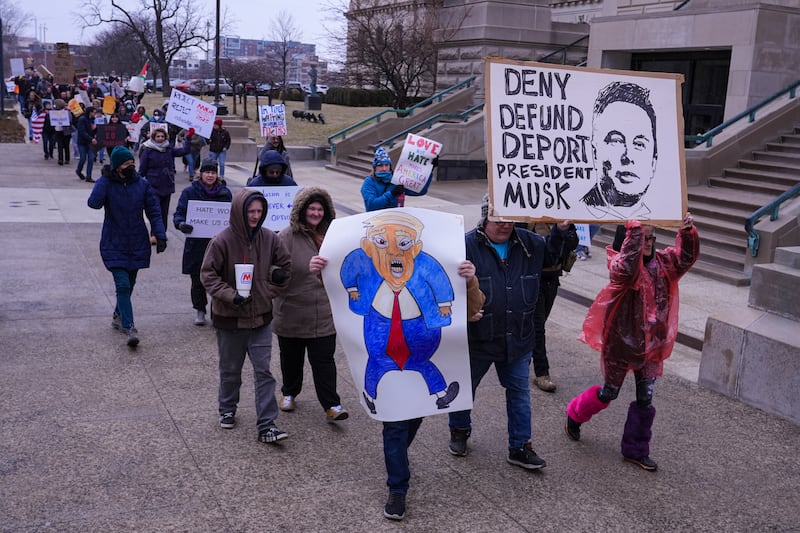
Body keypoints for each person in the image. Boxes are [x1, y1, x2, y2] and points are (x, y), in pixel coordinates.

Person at [309, 251, 483, 522]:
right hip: (381, 344)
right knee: (394, 425)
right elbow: (343, 287)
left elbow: (472, 308)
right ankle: (397, 488)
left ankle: (426, 411)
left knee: (409, 421)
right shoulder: (372, 264)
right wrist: (323, 272)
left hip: (420, 349)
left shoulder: (430, 264)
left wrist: (469, 282)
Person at [565, 214, 699, 472]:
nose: (647, 243)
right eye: (641, 238)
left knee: (645, 398)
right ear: (627, 241)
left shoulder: (664, 264)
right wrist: (634, 231)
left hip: (652, 347)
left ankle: (636, 450)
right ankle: (575, 413)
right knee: (609, 393)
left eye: (651, 237)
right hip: (622, 345)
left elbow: (686, 258)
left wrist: (688, 231)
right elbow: (626, 269)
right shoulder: (619, 266)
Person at [447, 194, 549, 471]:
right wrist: (465, 312)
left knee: (519, 392)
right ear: (485, 217)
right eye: (497, 219)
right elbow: (445, 288)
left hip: (518, 337)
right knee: (466, 389)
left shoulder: (531, 244)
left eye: (509, 219)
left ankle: (520, 446)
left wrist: (563, 231)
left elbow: (557, 254)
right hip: (478, 338)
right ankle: (459, 430)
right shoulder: (464, 245)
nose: (504, 225)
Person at [200, 188, 292, 444]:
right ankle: (227, 407)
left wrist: (271, 286)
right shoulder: (221, 241)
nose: (255, 216)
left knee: (264, 372)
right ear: (240, 211)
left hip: (261, 317)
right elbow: (207, 275)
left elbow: (286, 267)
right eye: (251, 211)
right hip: (229, 318)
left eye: (259, 211)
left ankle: (267, 425)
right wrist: (230, 295)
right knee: (230, 370)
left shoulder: (270, 239)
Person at [273, 187, 349, 422]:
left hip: (324, 312)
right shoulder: (284, 236)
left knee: (324, 361)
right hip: (292, 310)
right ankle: (289, 392)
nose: (315, 213)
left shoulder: (334, 236)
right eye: (311, 208)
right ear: (302, 210)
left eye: (319, 209)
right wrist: (297, 271)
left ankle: (331, 405)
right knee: (291, 358)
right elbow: (272, 269)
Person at [87, 146, 167, 348]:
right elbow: (93, 203)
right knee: (122, 284)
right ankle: (129, 326)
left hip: (137, 241)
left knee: (129, 284)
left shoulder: (143, 185)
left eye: (132, 162)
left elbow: (154, 212)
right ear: (116, 167)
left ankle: (117, 315)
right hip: (113, 241)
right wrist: (105, 179)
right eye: (125, 164)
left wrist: (160, 234)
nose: (130, 166)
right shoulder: (107, 183)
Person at [581, 82, 658, 219]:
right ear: (594, 152)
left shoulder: (662, 217)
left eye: (639, 144)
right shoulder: (577, 213)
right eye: (616, 141)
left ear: (653, 161)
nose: (628, 156)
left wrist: (687, 230)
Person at [173, 158, 232, 326]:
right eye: (207, 172)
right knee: (197, 279)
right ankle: (200, 309)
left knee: (220, 278)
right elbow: (179, 213)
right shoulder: (189, 192)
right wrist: (181, 224)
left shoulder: (225, 193)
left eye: (213, 172)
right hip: (196, 244)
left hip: (219, 244)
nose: (210, 175)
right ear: (201, 173)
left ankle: (217, 310)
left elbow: (231, 216)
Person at [529, 221, 579, 392]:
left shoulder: (559, 219)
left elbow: (572, 244)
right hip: (533, 280)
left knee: (536, 326)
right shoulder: (526, 219)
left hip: (552, 279)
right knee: (537, 328)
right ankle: (542, 373)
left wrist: (566, 229)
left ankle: (521, 361)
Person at [138, 127, 193, 244]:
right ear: (153, 137)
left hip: (167, 185)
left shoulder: (169, 149)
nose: (160, 139)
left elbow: (185, 151)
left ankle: (162, 233)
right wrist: (138, 181)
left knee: (164, 211)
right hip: (153, 185)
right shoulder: (148, 150)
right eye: (158, 136)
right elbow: (142, 168)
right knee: (155, 211)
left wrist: (188, 137)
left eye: (162, 136)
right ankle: (154, 234)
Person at [361, 147, 432, 211]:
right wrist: (392, 194)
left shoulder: (397, 179)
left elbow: (419, 191)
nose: (384, 169)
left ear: (390, 166)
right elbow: (371, 206)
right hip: (376, 220)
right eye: (380, 165)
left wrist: (429, 170)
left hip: (395, 219)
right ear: (375, 167)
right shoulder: (369, 182)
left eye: (386, 165)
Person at [75, 106, 98, 182]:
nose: (95, 114)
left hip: (90, 143)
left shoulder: (93, 120)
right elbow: (82, 132)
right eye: (94, 112)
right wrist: (91, 139)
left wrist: (95, 129)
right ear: (90, 112)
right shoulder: (82, 119)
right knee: (83, 158)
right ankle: (78, 170)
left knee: (91, 159)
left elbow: (93, 131)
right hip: (83, 142)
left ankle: (89, 176)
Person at [52, 99, 72, 166]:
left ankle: (67, 159)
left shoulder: (67, 111)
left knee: (66, 146)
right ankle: (60, 159)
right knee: (59, 146)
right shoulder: (54, 112)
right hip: (58, 130)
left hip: (66, 131)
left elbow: (70, 120)